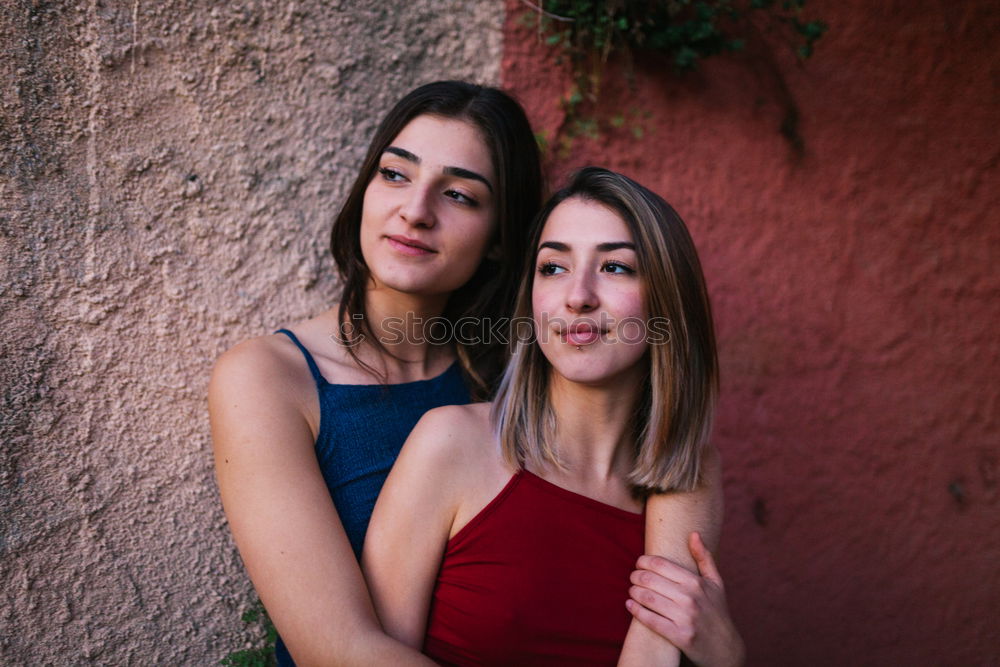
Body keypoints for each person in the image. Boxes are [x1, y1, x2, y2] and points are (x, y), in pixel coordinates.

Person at [210, 81, 740, 666]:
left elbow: (670, 464)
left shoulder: (525, 369)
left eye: (460, 195)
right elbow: (337, 650)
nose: (415, 210)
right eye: (394, 174)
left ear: (499, 239)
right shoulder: (269, 378)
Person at [362, 167, 744, 666]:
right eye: (553, 267)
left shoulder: (686, 474)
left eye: (616, 268)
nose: (578, 295)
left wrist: (727, 657)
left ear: (668, 304)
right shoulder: (452, 443)